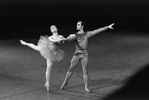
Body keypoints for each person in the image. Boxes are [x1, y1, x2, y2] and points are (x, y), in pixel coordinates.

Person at [60, 21, 114, 93]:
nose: (77, 26)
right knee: (71, 68)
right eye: (77, 25)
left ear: (82, 26)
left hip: (84, 54)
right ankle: (65, 82)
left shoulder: (87, 34)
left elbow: (97, 31)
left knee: (85, 71)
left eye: (79, 25)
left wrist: (107, 27)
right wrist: (65, 39)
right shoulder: (74, 35)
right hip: (77, 54)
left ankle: (86, 87)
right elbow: (67, 39)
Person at [20, 25, 66, 92]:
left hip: (54, 52)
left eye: (53, 27)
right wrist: (62, 39)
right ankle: (26, 43)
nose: (52, 29)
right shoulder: (50, 37)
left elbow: (61, 41)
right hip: (47, 49)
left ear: (57, 28)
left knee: (49, 67)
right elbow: (54, 41)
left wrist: (66, 39)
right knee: (35, 47)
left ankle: (46, 83)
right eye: (51, 28)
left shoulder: (61, 36)